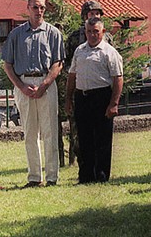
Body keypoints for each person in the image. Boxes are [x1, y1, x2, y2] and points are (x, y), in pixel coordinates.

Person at [2, 0, 64, 187]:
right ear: (28, 8)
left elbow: (58, 63)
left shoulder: (53, 33)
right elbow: (7, 65)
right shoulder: (16, 34)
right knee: (30, 134)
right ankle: (34, 177)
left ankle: (52, 177)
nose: (39, 11)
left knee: (50, 132)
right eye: (35, 7)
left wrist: (45, 85)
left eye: (42, 8)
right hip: (24, 84)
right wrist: (21, 86)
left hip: (47, 83)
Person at [65, 18, 123, 183]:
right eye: (89, 31)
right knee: (84, 138)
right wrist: (68, 99)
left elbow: (118, 79)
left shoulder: (109, 52)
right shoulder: (79, 51)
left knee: (102, 139)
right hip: (82, 97)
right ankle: (86, 175)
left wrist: (114, 103)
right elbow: (72, 75)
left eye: (96, 31)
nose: (92, 35)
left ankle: (102, 175)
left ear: (103, 32)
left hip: (102, 97)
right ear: (85, 32)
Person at [65, 0, 113, 69]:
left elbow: (113, 60)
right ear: (85, 17)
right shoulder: (75, 37)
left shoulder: (107, 37)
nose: (95, 16)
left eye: (97, 14)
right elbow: (67, 60)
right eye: (92, 14)